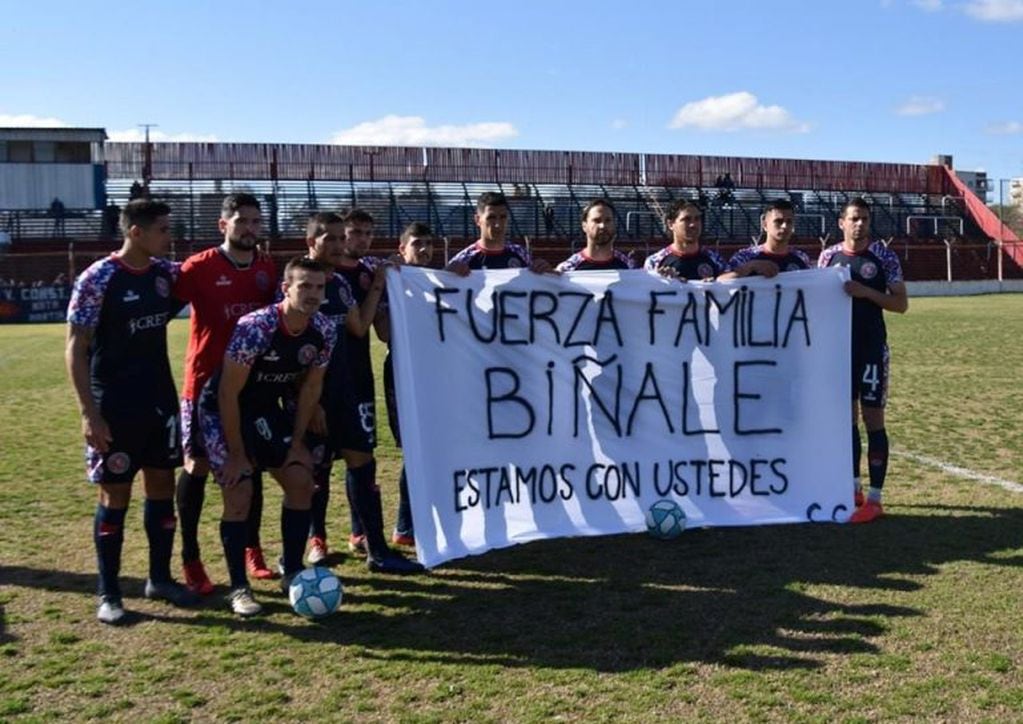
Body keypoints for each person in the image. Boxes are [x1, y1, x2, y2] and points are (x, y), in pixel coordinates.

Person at [65, 199, 198, 624]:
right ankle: (109, 593)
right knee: (115, 492)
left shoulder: (165, 274)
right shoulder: (98, 278)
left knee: (161, 486)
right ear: (135, 232)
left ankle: (159, 578)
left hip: (159, 400)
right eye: (162, 229)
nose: (169, 236)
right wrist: (90, 413)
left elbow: (213, 279)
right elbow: (76, 347)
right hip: (114, 406)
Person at [199, 256, 336, 616]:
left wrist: (295, 443)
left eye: (319, 287)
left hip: (263, 409)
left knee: (300, 480)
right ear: (285, 288)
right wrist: (237, 454)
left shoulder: (323, 329)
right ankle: (238, 588)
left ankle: (291, 569)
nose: (312, 294)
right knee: (240, 490)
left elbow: (310, 390)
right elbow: (228, 394)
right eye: (304, 286)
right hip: (223, 410)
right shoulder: (256, 327)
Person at [173, 193, 278, 595]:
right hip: (203, 387)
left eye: (255, 222)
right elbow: (164, 304)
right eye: (242, 222)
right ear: (224, 226)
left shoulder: (266, 268)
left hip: (251, 389)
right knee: (196, 466)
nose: (250, 229)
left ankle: (252, 549)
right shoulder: (198, 267)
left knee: (251, 466)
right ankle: (191, 556)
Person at [328, 209, 423, 573]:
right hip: (315, 379)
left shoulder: (371, 272)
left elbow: (379, 330)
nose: (360, 239)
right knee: (317, 467)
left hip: (357, 377)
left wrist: (391, 281)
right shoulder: (317, 275)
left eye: (367, 233)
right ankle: (318, 540)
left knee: (361, 460)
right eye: (353, 233)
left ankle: (366, 538)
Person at [818, 198, 908, 523]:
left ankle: (875, 498)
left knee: (874, 422)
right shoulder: (828, 257)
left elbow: (901, 305)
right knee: (846, 421)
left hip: (872, 350)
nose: (860, 224)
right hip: (840, 352)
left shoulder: (883, 256)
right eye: (854, 218)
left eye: (865, 219)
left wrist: (865, 292)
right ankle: (853, 488)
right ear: (841, 222)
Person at [380, 222, 437, 546]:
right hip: (403, 372)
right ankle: (405, 526)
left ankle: (431, 520)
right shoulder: (393, 282)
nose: (424, 250)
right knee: (414, 451)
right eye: (417, 244)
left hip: (437, 374)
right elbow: (384, 333)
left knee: (436, 449)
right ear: (402, 249)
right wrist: (392, 285)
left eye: (428, 243)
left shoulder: (442, 282)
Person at [448, 192, 552, 273]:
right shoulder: (464, 259)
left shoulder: (520, 253)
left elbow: (540, 284)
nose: (498, 224)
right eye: (491, 218)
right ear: (478, 220)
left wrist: (546, 271)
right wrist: (447, 275)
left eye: (503, 217)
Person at [718, 198, 811, 280]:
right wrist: (751, 266)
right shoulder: (745, 257)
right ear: (765, 225)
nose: (785, 226)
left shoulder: (801, 258)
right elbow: (721, 282)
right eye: (778, 221)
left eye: (789, 222)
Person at [643, 200, 725, 280]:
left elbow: (729, 286)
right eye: (686, 219)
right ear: (670, 224)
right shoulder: (655, 262)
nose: (693, 225)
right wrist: (660, 280)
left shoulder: (715, 259)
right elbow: (645, 291)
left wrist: (715, 282)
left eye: (697, 219)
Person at [557, 200, 633, 271]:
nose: (602, 226)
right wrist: (546, 275)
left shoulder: (629, 267)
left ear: (614, 225)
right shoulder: (568, 269)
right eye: (597, 220)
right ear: (584, 226)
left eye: (608, 220)